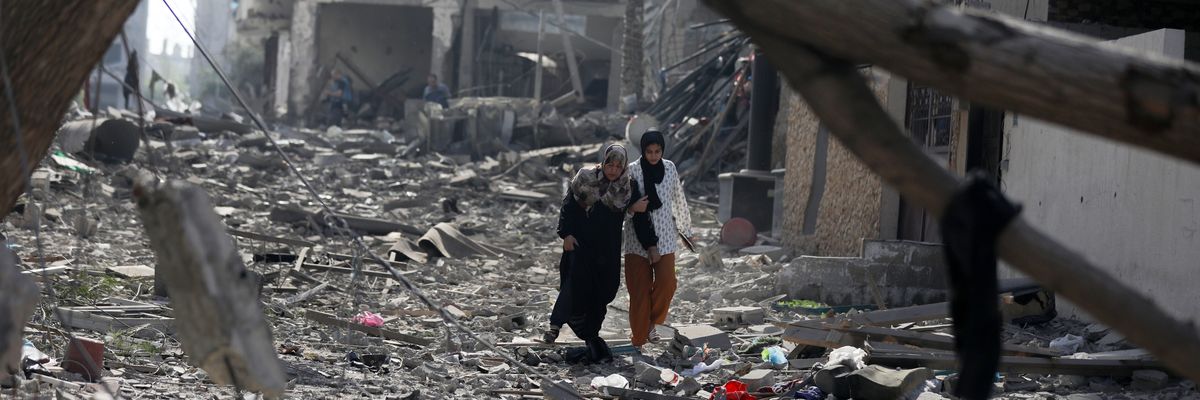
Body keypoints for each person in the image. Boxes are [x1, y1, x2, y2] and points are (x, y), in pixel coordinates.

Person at [546, 144, 653, 363]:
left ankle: (590, 336)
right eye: (609, 164)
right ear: (603, 162)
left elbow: (641, 219)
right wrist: (566, 234)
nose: (612, 170)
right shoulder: (585, 178)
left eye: (617, 166)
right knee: (574, 283)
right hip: (581, 244)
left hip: (608, 250)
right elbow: (569, 206)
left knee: (605, 292)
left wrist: (651, 245)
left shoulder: (628, 186)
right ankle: (554, 326)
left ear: (623, 167)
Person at [623, 129, 696, 349]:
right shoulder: (633, 170)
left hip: (665, 238)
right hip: (637, 241)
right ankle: (638, 341)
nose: (653, 156)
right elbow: (623, 204)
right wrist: (632, 209)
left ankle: (651, 323)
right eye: (649, 151)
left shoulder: (670, 168)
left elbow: (678, 199)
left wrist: (686, 230)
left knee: (667, 284)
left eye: (657, 151)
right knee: (639, 291)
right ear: (643, 151)